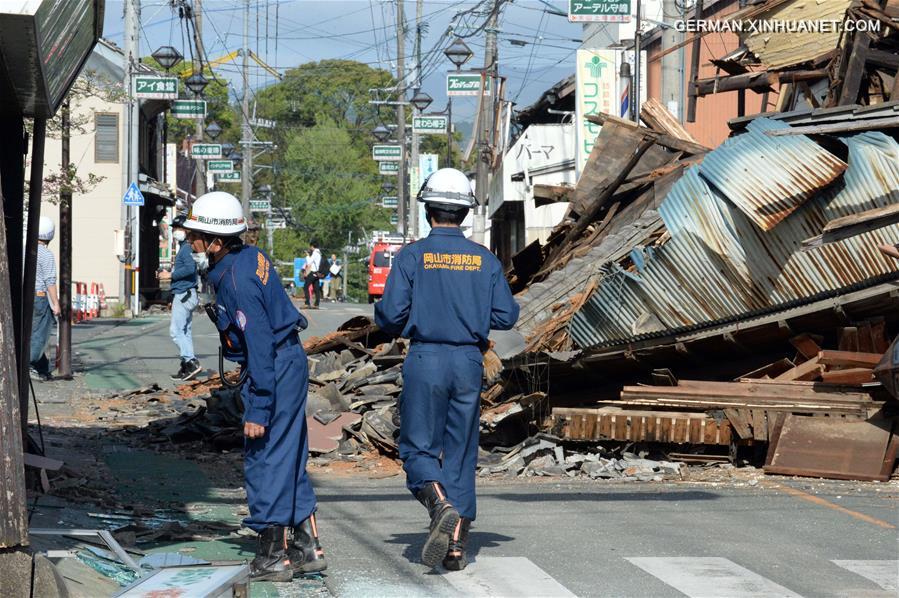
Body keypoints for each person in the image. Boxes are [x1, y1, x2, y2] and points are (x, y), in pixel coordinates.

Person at [374, 168, 519, 571]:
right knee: (461, 450)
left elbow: (389, 315)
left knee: (418, 446)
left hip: (427, 359)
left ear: (428, 212)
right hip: (469, 363)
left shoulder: (412, 256)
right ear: (465, 213)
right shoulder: (484, 260)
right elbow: (506, 316)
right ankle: (456, 546)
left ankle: (439, 505)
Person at [183, 192, 327, 582]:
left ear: (216, 240)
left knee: (265, 461)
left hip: (273, 367)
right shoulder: (250, 256)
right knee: (288, 456)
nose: (189, 240)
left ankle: (272, 556)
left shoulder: (236, 280)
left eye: (195, 234)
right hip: (286, 361)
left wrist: (259, 407)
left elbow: (259, 342)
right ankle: (306, 546)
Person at [169, 215, 202, 381]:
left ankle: (191, 361)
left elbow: (190, 269)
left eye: (177, 228)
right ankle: (186, 368)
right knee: (185, 331)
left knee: (175, 332)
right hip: (187, 292)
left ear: (186, 230)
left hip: (184, 292)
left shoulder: (187, 248)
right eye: (174, 229)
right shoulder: (185, 247)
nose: (175, 232)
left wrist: (170, 275)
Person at [30, 216, 60, 381]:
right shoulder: (46, 255)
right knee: (40, 333)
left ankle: (41, 368)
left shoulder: (25, 249)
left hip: (24, 296)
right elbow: (50, 281)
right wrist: (56, 304)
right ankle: (28, 364)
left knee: (29, 332)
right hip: (39, 296)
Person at [304, 240, 323, 309]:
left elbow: (309, 262)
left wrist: (307, 256)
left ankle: (307, 303)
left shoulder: (315, 253)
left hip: (313, 272)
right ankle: (316, 304)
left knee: (305, 286)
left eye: (310, 246)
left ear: (312, 246)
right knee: (316, 289)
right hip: (318, 273)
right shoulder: (320, 252)